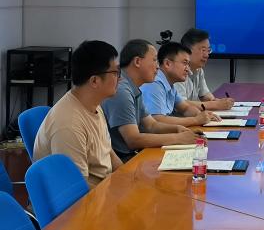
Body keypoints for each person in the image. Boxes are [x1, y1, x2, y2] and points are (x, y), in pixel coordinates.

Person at [33, 40, 122, 188]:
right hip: (87, 198)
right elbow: (77, 189)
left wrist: (128, 177)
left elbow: (108, 152)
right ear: (94, 81)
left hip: (104, 187)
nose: (120, 78)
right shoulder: (69, 124)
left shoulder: (93, 104)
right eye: (115, 73)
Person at [102, 39, 200, 162]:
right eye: (154, 60)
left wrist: (176, 128)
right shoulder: (122, 90)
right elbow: (133, 140)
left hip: (132, 155)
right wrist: (177, 138)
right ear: (137, 62)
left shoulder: (134, 88)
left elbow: (151, 125)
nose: (158, 66)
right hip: (123, 159)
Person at [140, 41, 220, 126]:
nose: (188, 69)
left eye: (188, 64)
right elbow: (157, 120)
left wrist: (201, 115)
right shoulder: (154, 84)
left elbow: (185, 108)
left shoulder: (170, 85)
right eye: (184, 63)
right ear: (167, 63)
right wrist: (196, 120)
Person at [175, 28, 233, 111]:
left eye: (208, 50)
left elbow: (205, 95)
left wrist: (218, 101)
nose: (207, 55)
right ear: (187, 50)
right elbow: (181, 104)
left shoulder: (199, 70)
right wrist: (215, 105)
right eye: (203, 50)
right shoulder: (177, 71)